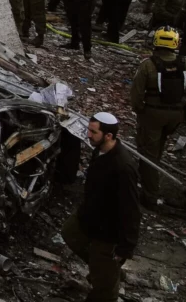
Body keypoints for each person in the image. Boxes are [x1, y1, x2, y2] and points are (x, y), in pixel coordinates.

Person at [60, 113, 140, 302]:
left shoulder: (123, 167)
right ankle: (104, 269)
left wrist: (125, 247)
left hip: (108, 232)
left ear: (109, 136)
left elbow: (131, 210)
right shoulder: (100, 150)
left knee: (104, 290)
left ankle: (106, 273)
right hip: (90, 217)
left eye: (93, 132)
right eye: (89, 130)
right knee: (69, 233)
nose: (88, 135)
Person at [131, 28, 186, 208]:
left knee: (148, 153)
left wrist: (140, 110)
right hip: (176, 115)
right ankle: (150, 176)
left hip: (153, 114)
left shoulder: (147, 65)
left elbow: (136, 95)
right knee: (158, 144)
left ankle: (150, 195)